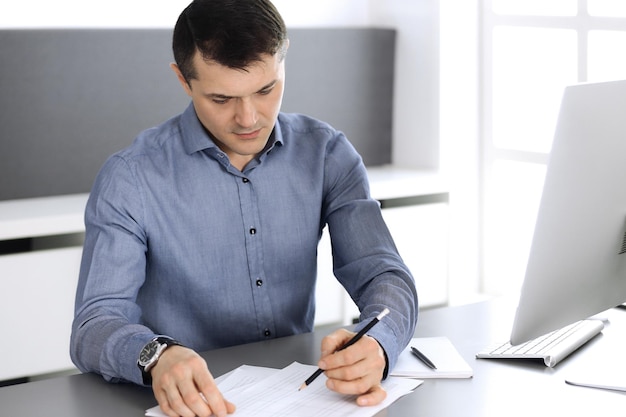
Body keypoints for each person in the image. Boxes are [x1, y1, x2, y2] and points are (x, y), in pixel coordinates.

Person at [70, 1, 418, 416]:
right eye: (221, 98)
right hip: (186, 407)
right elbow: (94, 323)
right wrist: (156, 355)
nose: (249, 118)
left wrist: (379, 342)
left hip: (297, 400)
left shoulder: (326, 154)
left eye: (266, 90)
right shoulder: (131, 177)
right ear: (183, 79)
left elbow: (382, 272)